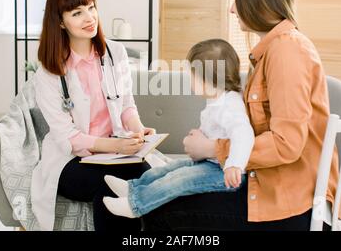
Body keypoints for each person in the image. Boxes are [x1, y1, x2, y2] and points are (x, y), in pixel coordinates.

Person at [141, 0, 340, 231]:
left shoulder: (286, 52)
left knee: (161, 210)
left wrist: (212, 148)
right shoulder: (277, 49)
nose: (232, 9)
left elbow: (287, 143)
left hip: (291, 206)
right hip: (278, 190)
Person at [31, 0, 154, 231]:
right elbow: (68, 137)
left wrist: (138, 130)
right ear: (60, 22)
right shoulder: (49, 72)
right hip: (71, 160)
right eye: (77, 12)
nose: (89, 18)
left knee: (146, 175)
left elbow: (126, 103)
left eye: (91, 7)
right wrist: (115, 145)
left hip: (115, 151)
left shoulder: (115, 53)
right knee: (112, 183)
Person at [101, 39, 255, 218]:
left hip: (224, 173)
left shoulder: (230, 104)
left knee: (180, 180)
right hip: (211, 162)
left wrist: (234, 165)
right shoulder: (218, 99)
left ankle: (135, 205)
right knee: (169, 169)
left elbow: (244, 134)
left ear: (207, 79)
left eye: (192, 76)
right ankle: (132, 188)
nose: (189, 81)